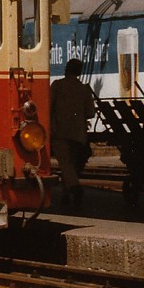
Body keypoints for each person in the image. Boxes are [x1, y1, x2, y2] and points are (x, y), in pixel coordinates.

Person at [50, 57, 96, 207]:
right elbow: (91, 113)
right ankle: (67, 193)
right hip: (79, 134)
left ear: (66, 70)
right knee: (72, 165)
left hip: (60, 132)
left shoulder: (57, 86)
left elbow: (48, 106)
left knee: (65, 164)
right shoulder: (84, 89)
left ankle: (74, 189)